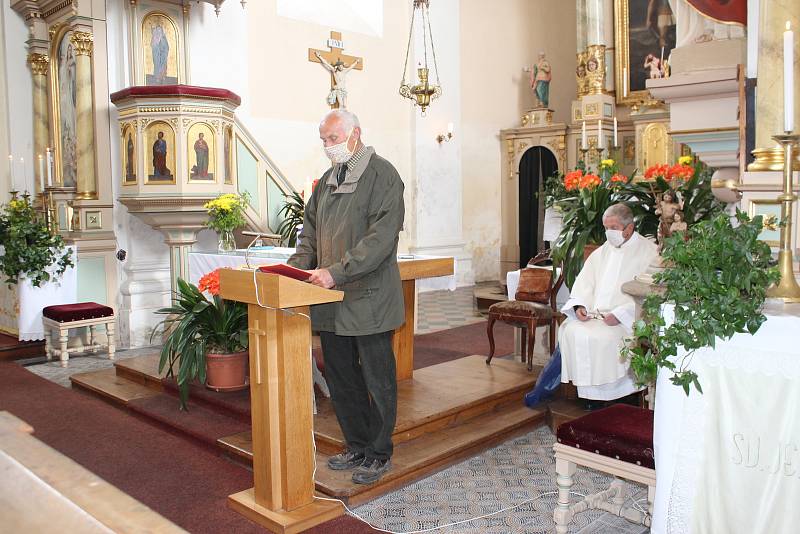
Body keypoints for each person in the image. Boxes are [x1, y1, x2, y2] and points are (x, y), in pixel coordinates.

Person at [288, 109, 405, 485]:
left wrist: (335, 271)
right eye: (323, 141)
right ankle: (356, 444)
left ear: (355, 135)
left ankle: (379, 451)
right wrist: (293, 269)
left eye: (332, 139)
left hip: (367, 297)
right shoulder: (326, 181)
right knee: (341, 379)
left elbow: (380, 240)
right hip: (330, 301)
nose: (327, 147)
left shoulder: (382, 174)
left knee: (377, 379)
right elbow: (310, 233)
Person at [559, 203, 658, 404]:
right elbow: (584, 283)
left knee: (602, 338)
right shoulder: (602, 251)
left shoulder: (649, 252)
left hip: (626, 321)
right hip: (596, 315)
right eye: (606, 228)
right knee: (571, 330)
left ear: (629, 228)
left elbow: (651, 293)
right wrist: (580, 306)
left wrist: (621, 315)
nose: (608, 233)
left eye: (613, 228)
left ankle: (616, 396)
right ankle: (588, 396)